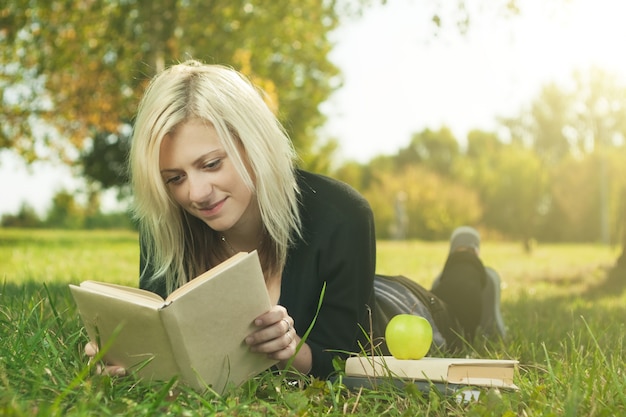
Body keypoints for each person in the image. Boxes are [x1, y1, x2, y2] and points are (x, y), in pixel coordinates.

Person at [85, 60, 504, 380]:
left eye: (211, 164)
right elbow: (163, 333)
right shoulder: (165, 222)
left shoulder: (342, 214)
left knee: (461, 304)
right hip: (356, 288)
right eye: (175, 178)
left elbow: (340, 358)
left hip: (390, 311)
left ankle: (465, 256)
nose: (195, 193)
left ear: (253, 145)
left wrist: (294, 352)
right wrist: (125, 355)